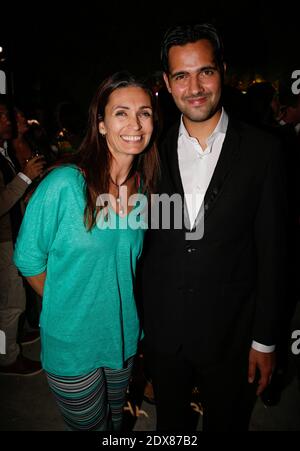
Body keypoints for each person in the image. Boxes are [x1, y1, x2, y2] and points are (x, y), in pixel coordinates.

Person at [140, 24, 287, 431]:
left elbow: (274, 252)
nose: (195, 87)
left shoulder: (265, 151)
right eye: (182, 76)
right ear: (168, 84)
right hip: (166, 337)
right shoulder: (151, 153)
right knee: (170, 428)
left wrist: (265, 339)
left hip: (232, 337)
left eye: (205, 71)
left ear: (223, 71)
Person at [13, 71, 160, 431]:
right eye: (121, 112)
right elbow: (28, 259)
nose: (135, 123)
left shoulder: (144, 190)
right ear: (102, 124)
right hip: (73, 345)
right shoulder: (65, 184)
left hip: (123, 338)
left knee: (115, 423)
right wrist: (68, 305)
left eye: (144, 113)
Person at [0, 98, 45, 376]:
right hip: (2, 239)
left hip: (10, 234)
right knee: (10, 301)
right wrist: (26, 177)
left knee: (11, 299)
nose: (8, 121)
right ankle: (6, 358)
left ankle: (11, 341)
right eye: (3, 115)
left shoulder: (2, 151)